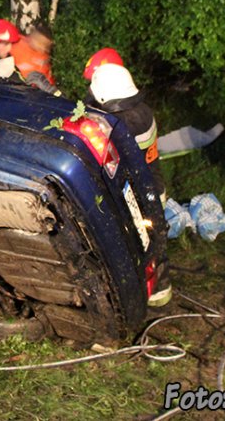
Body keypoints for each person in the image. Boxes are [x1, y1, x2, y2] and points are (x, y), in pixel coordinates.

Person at [90, 63, 171, 307]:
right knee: (154, 242)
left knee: (138, 246)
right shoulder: (141, 111)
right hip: (154, 189)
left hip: (137, 195)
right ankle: (160, 292)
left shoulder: (122, 123)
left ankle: (140, 297)